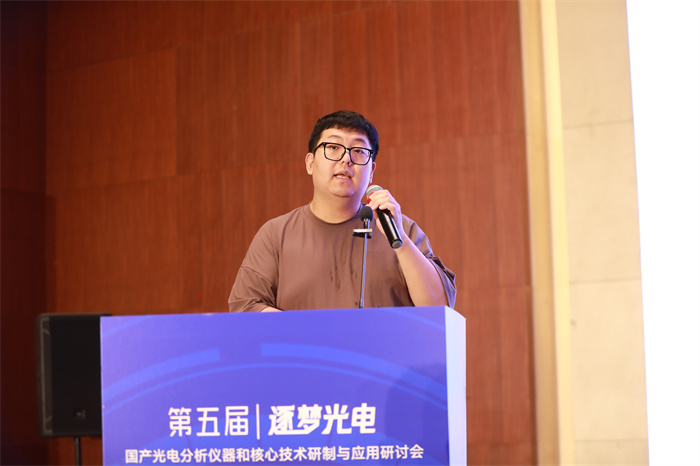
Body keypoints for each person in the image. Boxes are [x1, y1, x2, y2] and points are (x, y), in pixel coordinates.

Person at [228, 110, 456, 312]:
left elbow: (439, 309)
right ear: (310, 163)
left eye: (359, 151)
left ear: (371, 171)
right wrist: (309, 333)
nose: (346, 159)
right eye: (333, 148)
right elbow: (245, 306)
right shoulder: (276, 234)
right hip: (301, 350)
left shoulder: (399, 228)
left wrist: (401, 242)